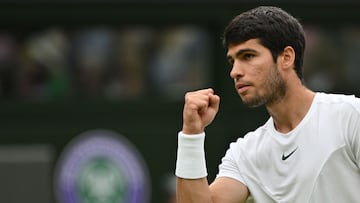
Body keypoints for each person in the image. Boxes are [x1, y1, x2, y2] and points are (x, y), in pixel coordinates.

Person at [175, 6, 360, 203]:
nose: (235, 72)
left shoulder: (350, 116)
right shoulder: (245, 153)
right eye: (232, 61)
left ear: (287, 57)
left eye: (248, 56)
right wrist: (191, 134)